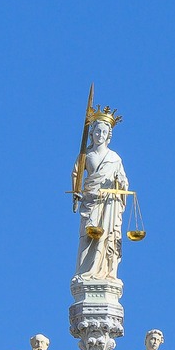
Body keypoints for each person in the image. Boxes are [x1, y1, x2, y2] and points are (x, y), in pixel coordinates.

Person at [73, 112, 130, 282]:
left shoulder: (114, 158)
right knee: (87, 237)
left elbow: (123, 182)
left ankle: (106, 271)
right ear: (91, 133)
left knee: (107, 238)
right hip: (90, 202)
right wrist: (76, 192)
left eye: (104, 132)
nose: (100, 135)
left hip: (109, 204)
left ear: (108, 136)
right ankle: (83, 272)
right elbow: (76, 174)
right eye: (97, 131)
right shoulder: (85, 155)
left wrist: (120, 183)